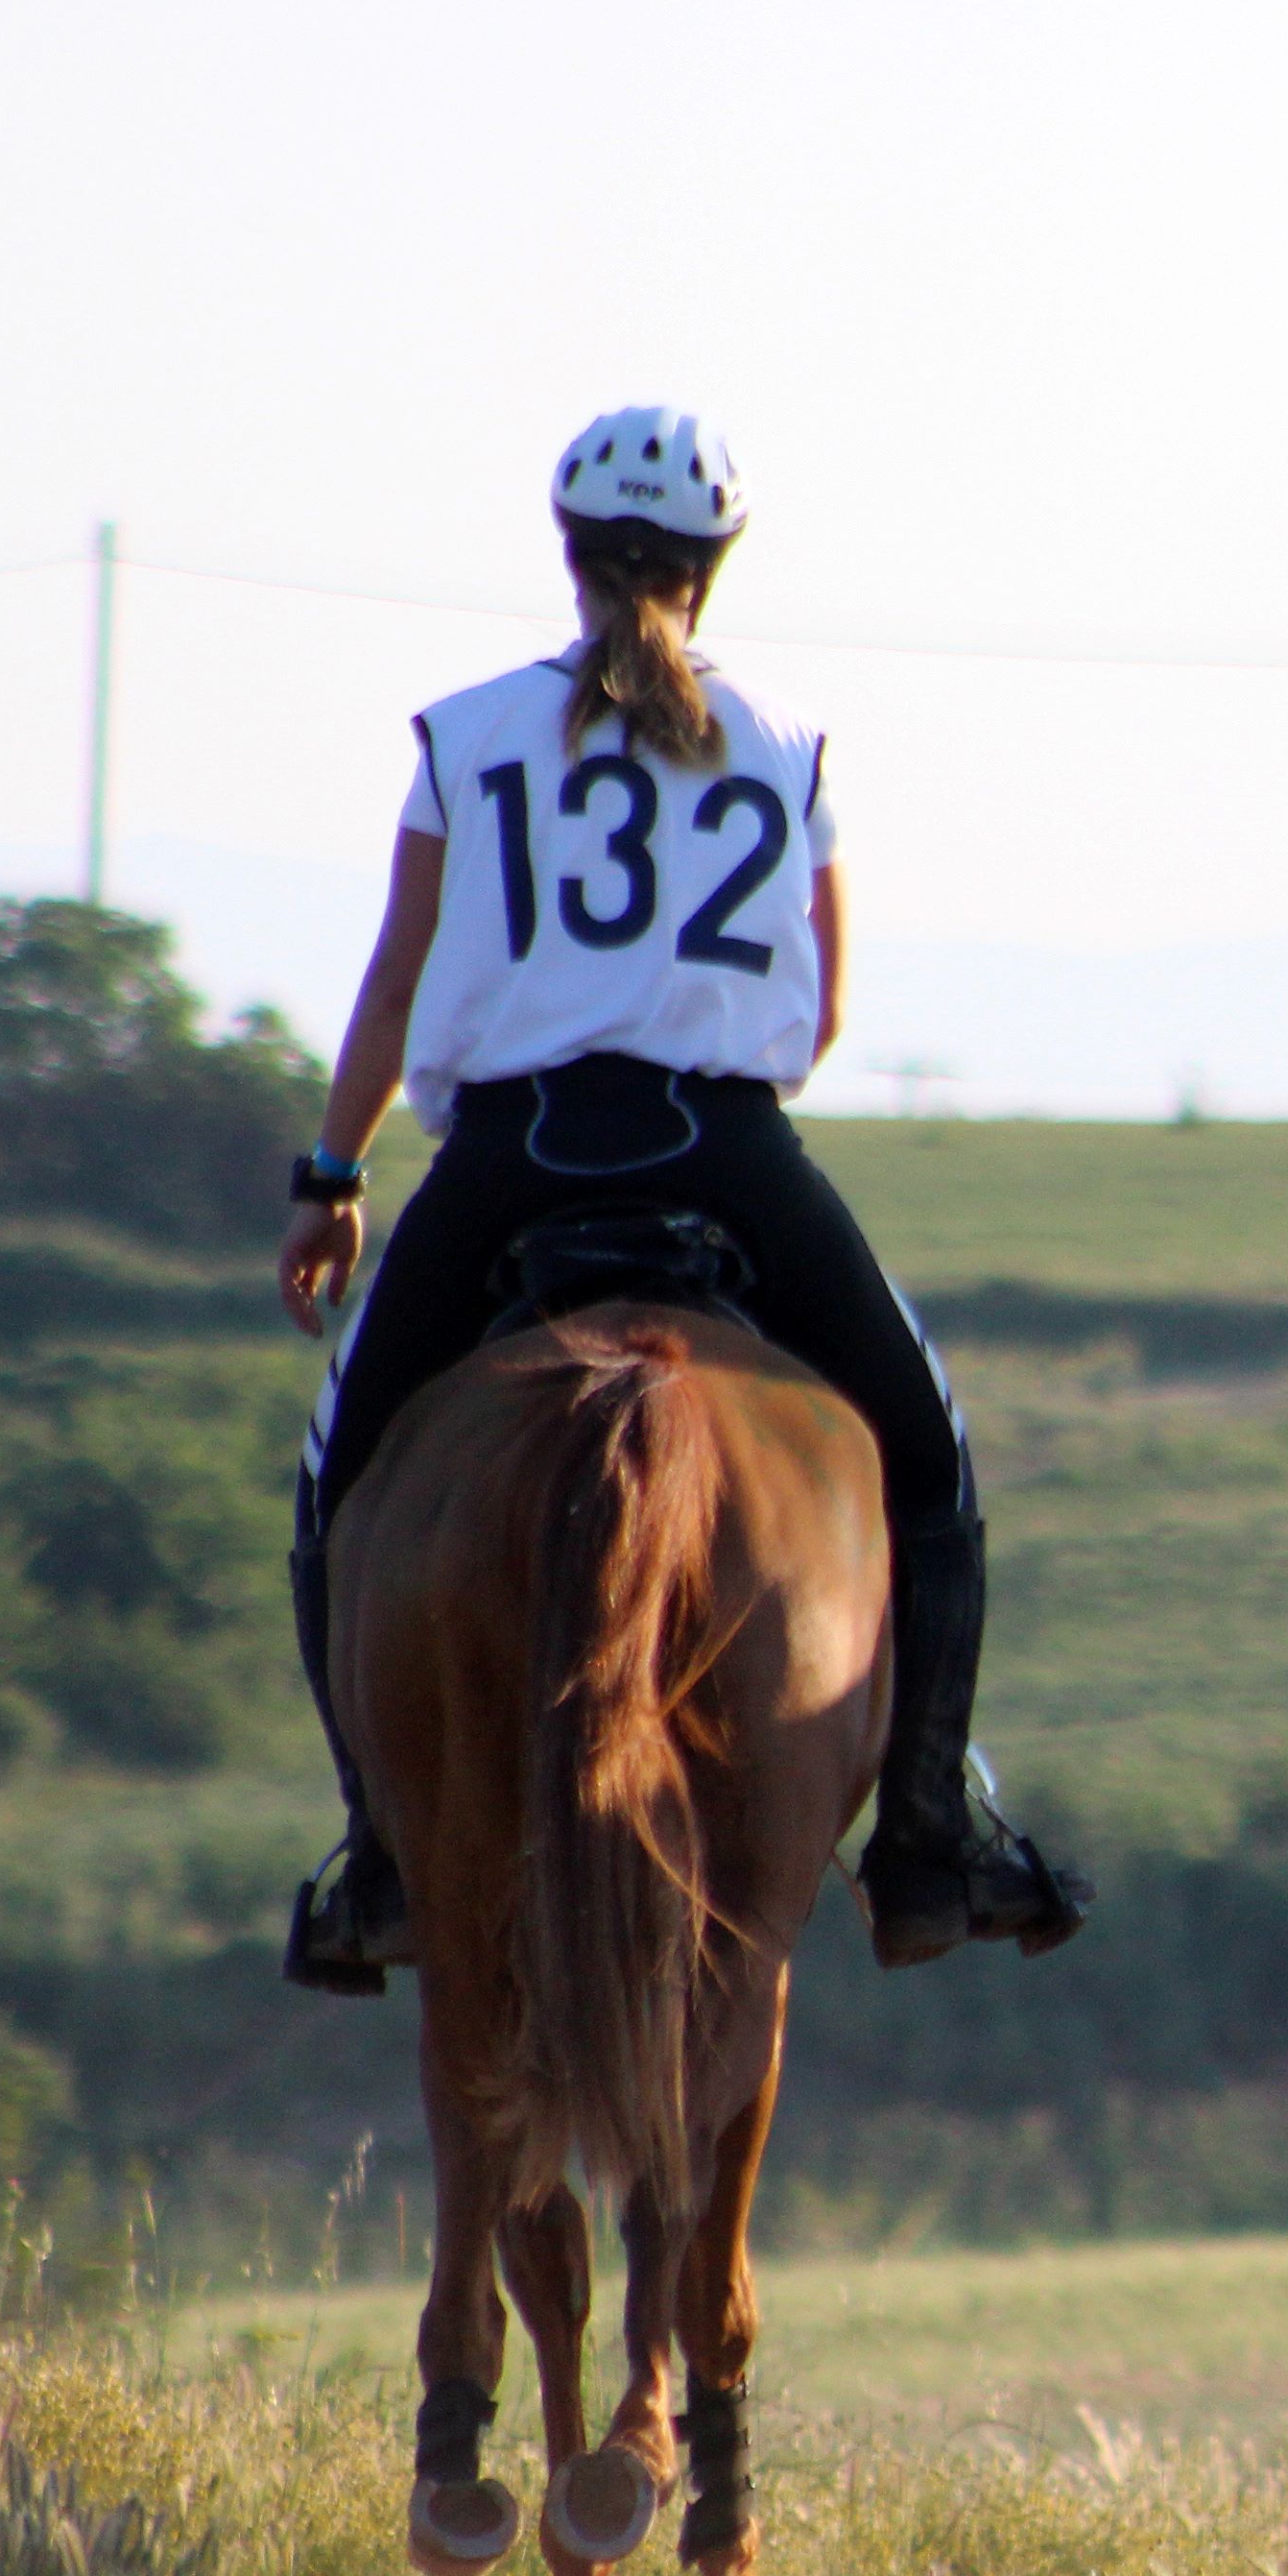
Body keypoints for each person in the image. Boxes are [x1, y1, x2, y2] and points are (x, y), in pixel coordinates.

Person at [273, 406, 1078, 1993]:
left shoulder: (463, 736)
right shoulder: (791, 747)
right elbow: (823, 1012)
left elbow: (393, 982)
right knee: (932, 1457)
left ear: (568, 558)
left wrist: (332, 1178)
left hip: (509, 1154)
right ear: (715, 569)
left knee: (336, 1481)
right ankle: (928, 1839)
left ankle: (378, 1855)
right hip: (724, 1148)